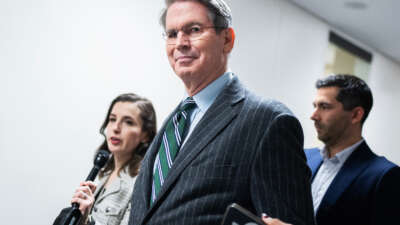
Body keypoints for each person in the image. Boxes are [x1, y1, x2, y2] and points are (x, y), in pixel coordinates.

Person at [128, 1, 314, 225]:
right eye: (172, 33)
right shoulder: (174, 124)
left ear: (227, 39)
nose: (180, 43)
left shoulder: (268, 121)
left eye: (194, 30)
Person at [306, 74, 400, 225]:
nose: (313, 116)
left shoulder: (384, 176)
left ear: (356, 115)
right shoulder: (303, 158)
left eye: (324, 107)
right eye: (315, 106)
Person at [71, 93, 157, 225]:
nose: (116, 128)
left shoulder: (143, 182)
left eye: (128, 122)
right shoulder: (104, 174)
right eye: (112, 119)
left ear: (145, 135)